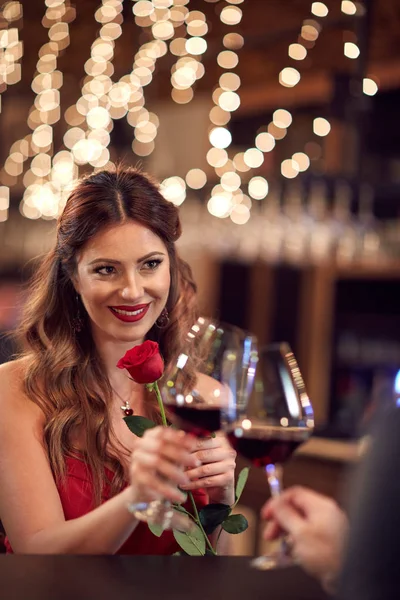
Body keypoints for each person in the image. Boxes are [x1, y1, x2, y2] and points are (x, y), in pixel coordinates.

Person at [0, 167, 236, 555]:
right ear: (74, 278)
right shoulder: (15, 390)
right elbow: (37, 554)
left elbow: (212, 566)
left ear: (171, 267)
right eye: (106, 269)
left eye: (150, 264)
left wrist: (222, 498)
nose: (132, 290)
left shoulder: (206, 398)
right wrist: (136, 500)